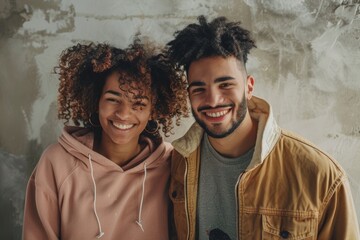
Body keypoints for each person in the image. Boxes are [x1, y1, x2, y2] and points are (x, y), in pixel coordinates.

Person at [166, 15, 360, 240]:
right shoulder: (179, 162)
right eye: (199, 89)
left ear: (249, 87)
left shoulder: (321, 175)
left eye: (225, 84)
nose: (213, 100)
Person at [22, 38, 189, 240]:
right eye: (113, 99)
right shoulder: (57, 163)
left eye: (139, 104)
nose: (123, 114)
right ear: (96, 100)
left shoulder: (174, 163)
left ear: (153, 110)